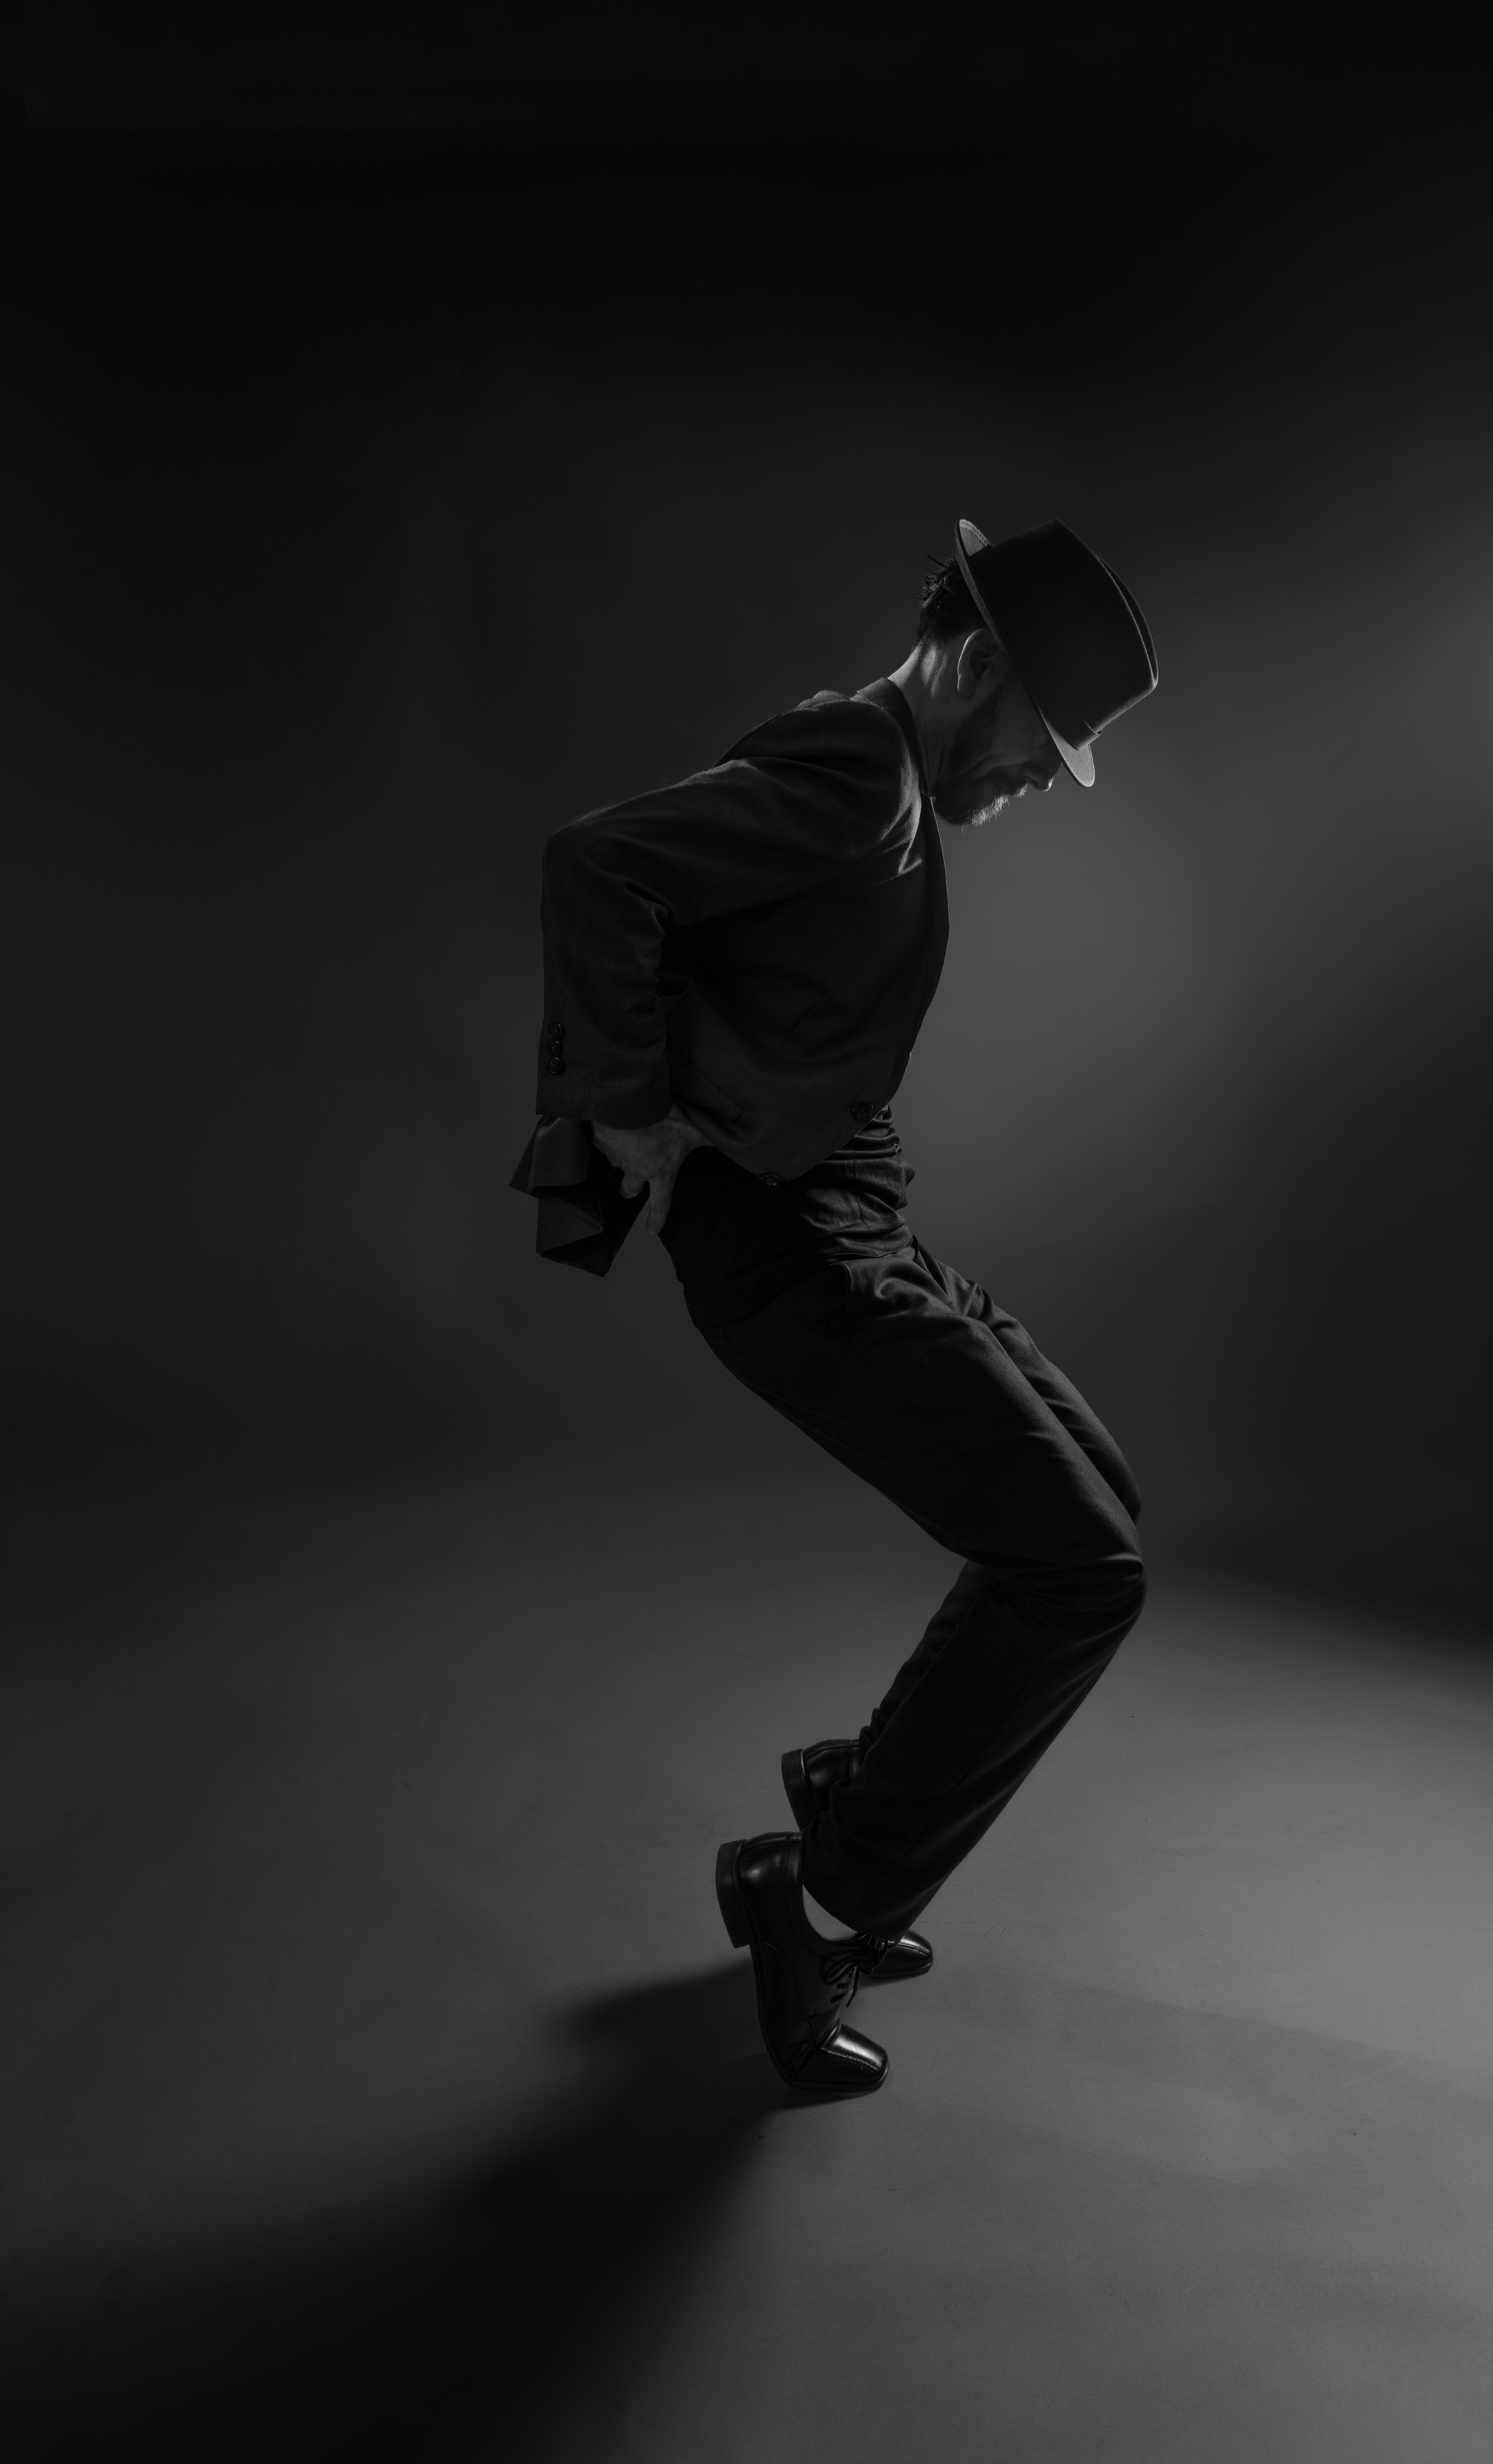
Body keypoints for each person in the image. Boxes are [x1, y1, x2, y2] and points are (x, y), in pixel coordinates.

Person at [513, 517, 1158, 2094]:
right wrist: (623, 1106)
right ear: (979, 661)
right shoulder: (855, 774)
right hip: (790, 1257)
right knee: (1078, 1568)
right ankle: (816, 1907)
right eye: (1044, 738)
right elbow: (597, 864)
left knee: (1094, 1507)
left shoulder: (883, 782)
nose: (1038, 777)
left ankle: (849, 1797)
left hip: (853, 1222)